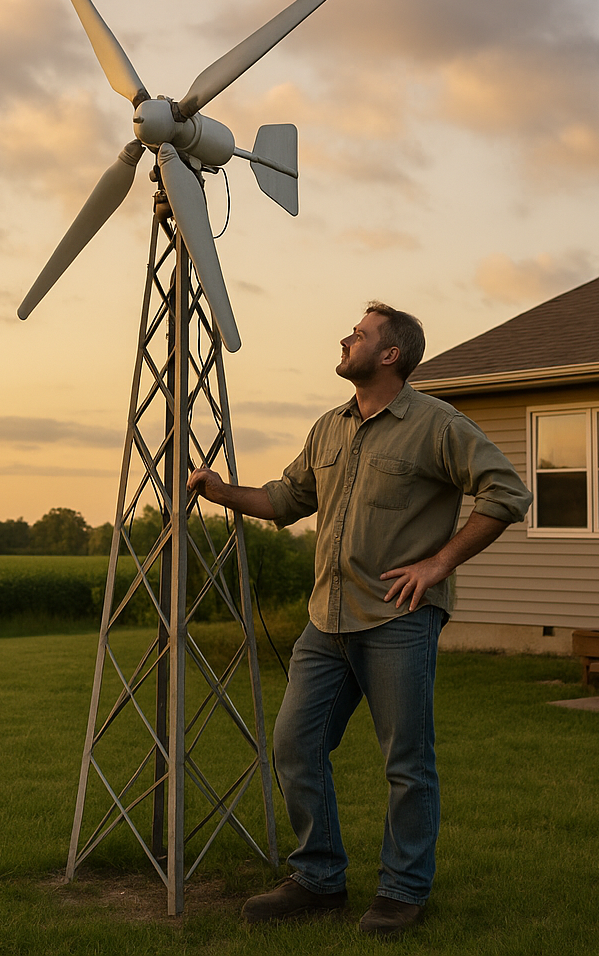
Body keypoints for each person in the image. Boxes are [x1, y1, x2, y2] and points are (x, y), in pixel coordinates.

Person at [187, 301, 532, 937]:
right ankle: (319, 879)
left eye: (360, 334)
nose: (345, 340)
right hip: (326, 622)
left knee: (407, 764)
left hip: (399, 619)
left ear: (390, 354)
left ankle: (402, 892)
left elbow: (507, 492)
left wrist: (439, 563)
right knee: (295, 744)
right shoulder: (329, 427)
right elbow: (286, 500)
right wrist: (218, 490)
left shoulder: (437, 425)